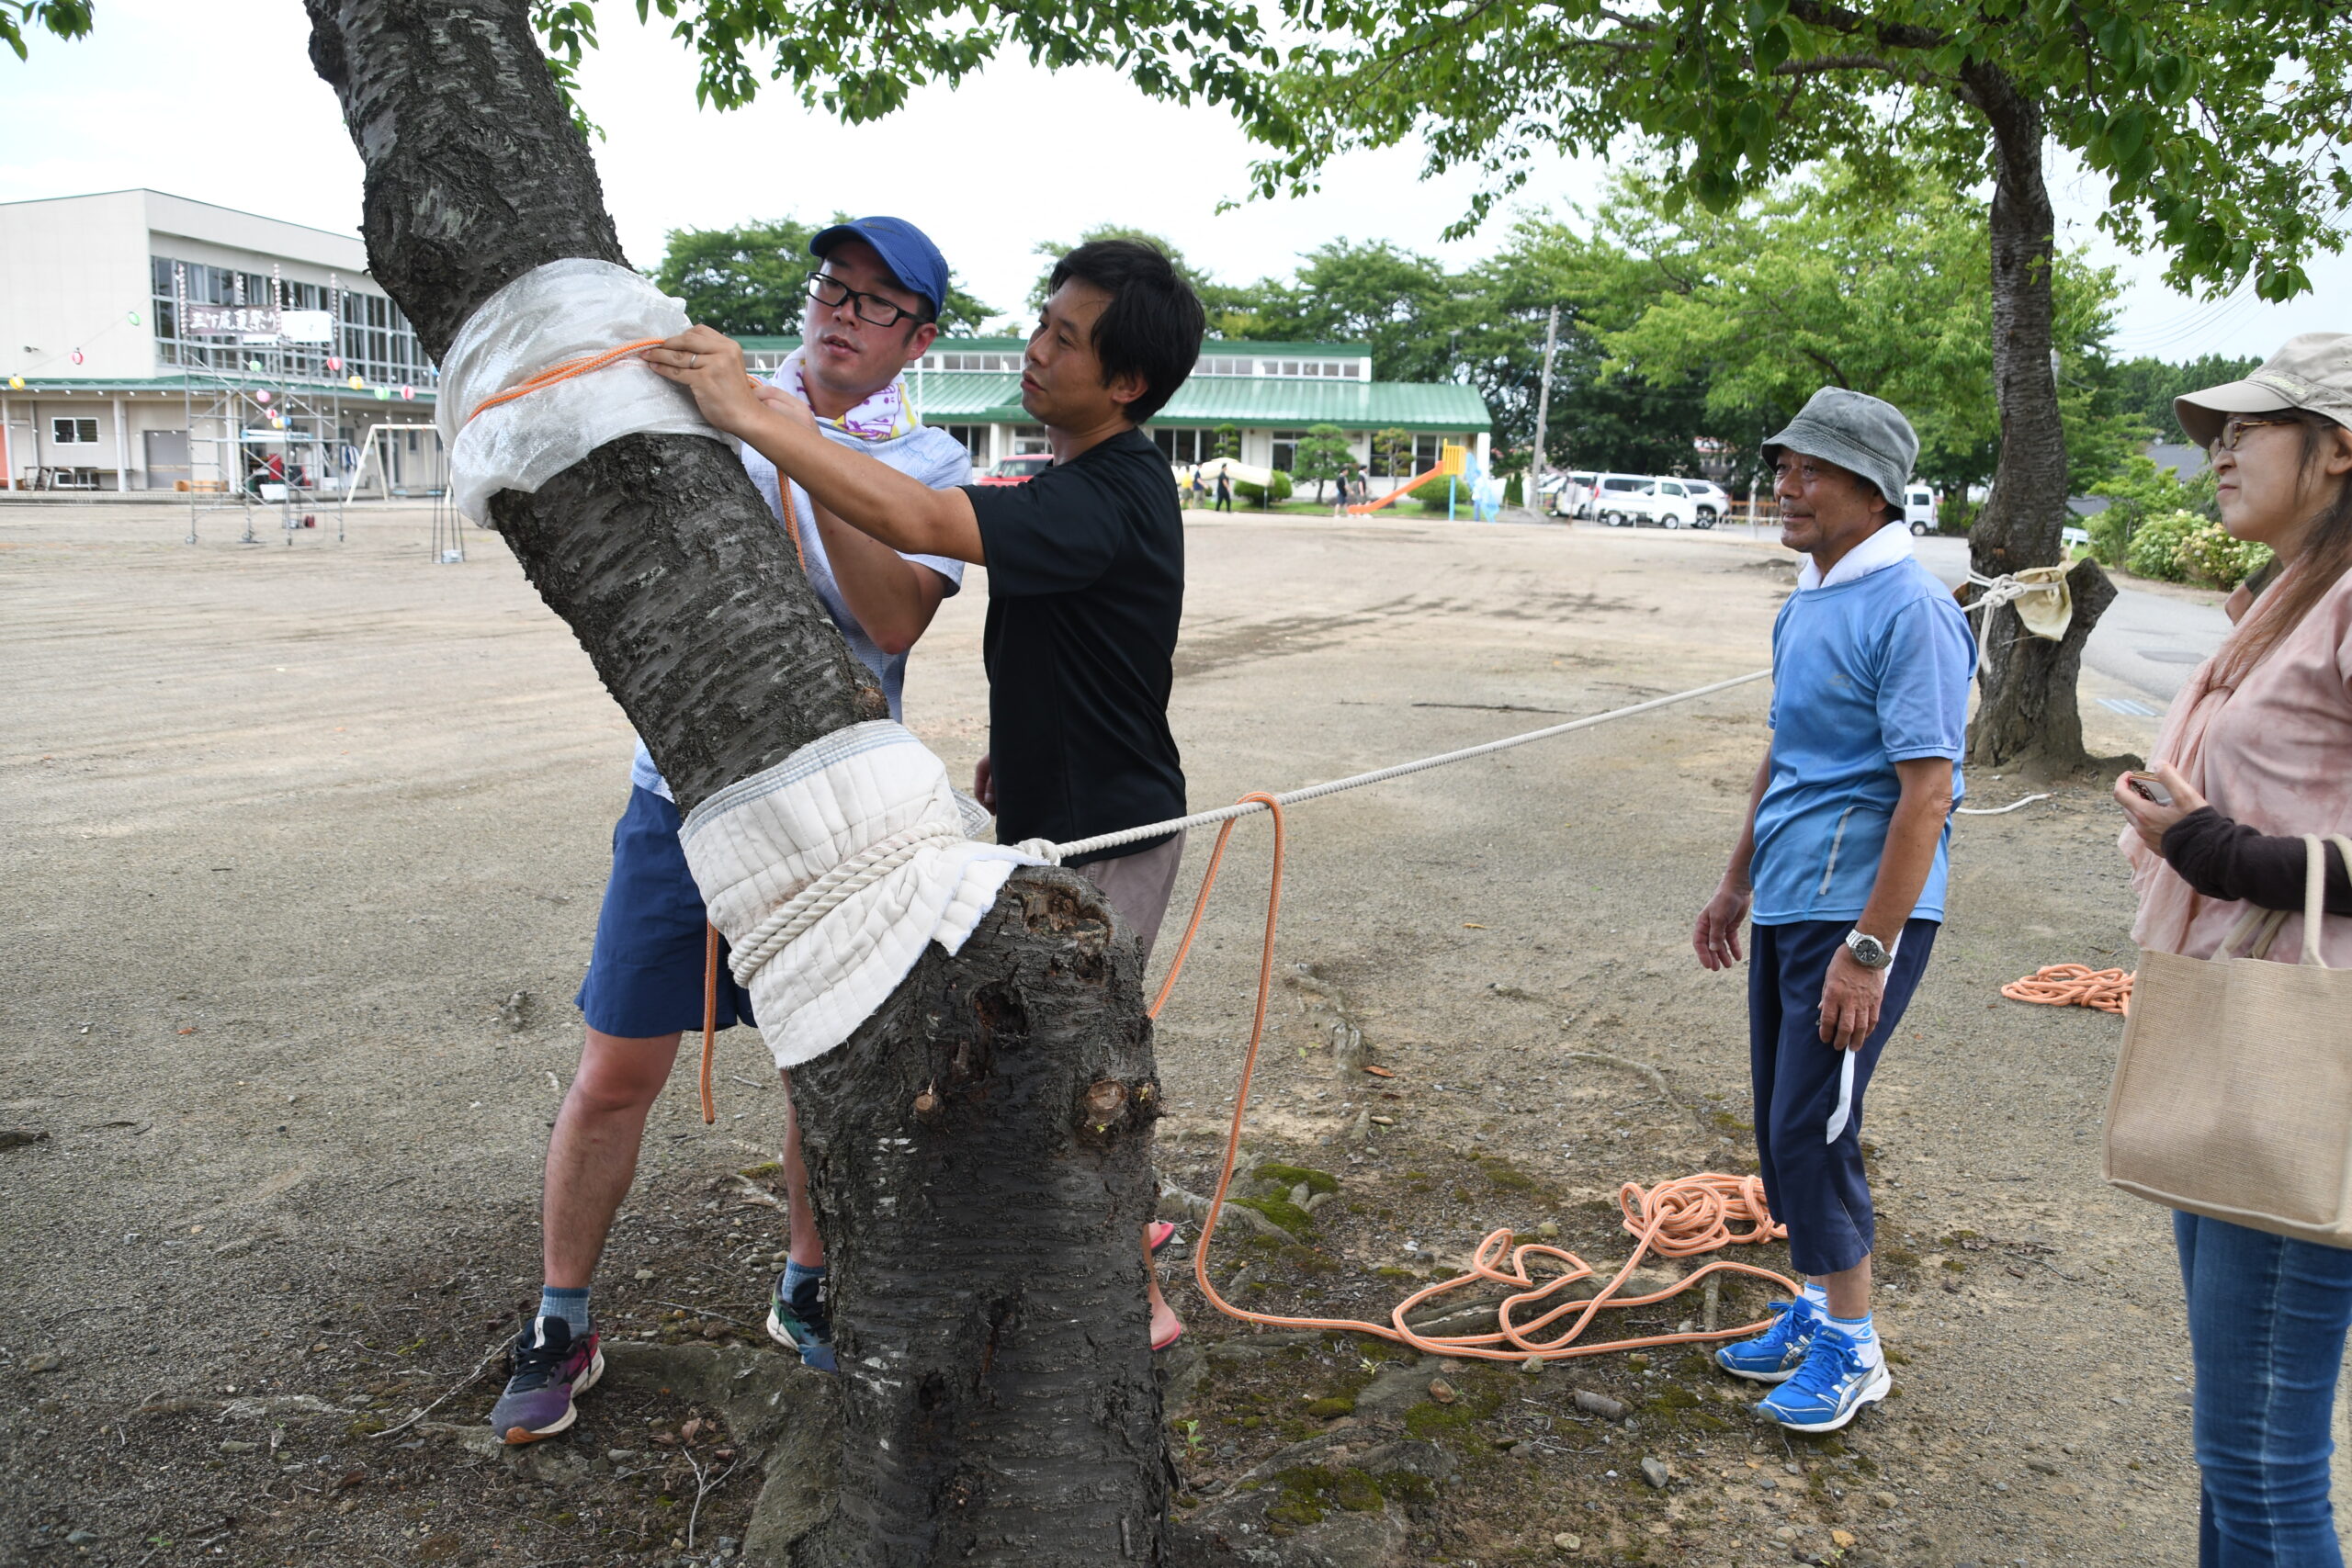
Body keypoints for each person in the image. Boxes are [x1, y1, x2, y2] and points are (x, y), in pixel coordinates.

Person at [647, 237, 1205, 1352]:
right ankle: (1093, 1245)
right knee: (1039, 1056)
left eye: (1064, 339)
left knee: (1068, 1074)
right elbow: (1075, 646)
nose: (1035, 350)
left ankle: (1132, 1304)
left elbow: (922, 524)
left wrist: (767, 422)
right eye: (1040, 323)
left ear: (1127, 383)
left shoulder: (1112, 491)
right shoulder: (1075, 480)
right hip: (1054, 817)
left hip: (1113, 835)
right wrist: (1013, 749)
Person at [489, 216, 971, 1444]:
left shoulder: (925, 457)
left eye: (876, 304)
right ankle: (560, 1314)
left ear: (918, 336)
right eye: (833, 289)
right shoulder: (715, 400)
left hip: (839, 819)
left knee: (821, 1066)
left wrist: (792, 441)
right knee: (615, 1067)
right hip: (678, 798)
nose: (841, 315)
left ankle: (807, 1279)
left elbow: (896, 616)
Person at [2110, 333, 2352, 1565]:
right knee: (2234, 1451)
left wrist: (2212, 846)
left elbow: (2274, 841)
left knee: (2262, 1461)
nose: (2218, 450)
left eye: (2250, 428)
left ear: (2339, 447)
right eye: (2213, 431)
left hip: (2302, 1050)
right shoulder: (2287, 596)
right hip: (2235, 1021)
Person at [1691, 388, 1975, 1433]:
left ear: (1874, 489)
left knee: (1814, 1127)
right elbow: (1785, 756)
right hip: (1791, 900)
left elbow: (1927, 790)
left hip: (1861, 913)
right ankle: (1813, 1310)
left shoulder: (1912, 608)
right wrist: (1735, 884)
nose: (1786, 488)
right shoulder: (1807, 602)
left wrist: (1870, 946)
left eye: (1811, 471)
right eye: (1784, 467)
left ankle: (1855, 1350)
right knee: (1780, 1123)